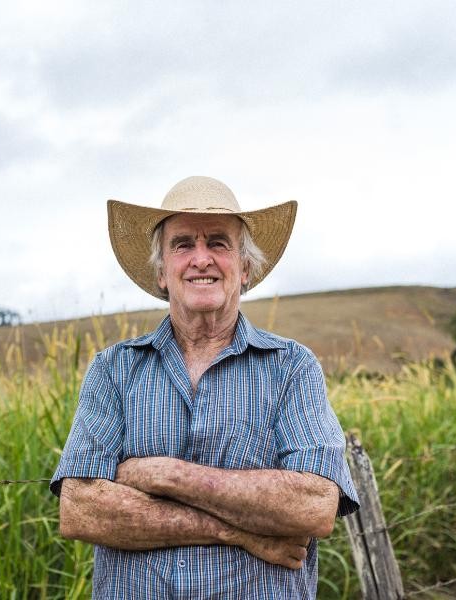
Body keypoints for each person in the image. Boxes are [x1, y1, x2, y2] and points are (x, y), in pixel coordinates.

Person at [50, 176, 359, 599]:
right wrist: (239, 531)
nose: (201, 259)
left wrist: (165, 474)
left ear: (245, 268)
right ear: (161, 272)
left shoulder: (291, 367)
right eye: (182, 244)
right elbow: (82, 510)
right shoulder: (113, 370)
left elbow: (314, 506)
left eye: (218, 243)